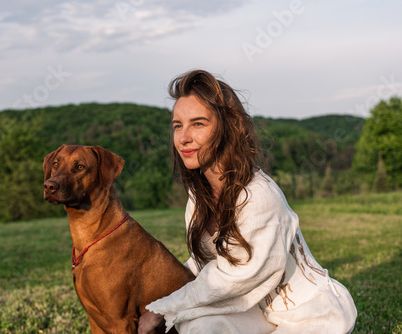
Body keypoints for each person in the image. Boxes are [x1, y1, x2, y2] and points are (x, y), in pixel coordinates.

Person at [138, 70, 357, 334]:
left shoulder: (258, 196)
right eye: (177, 125)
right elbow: (202, 264)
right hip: (255, 310)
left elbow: (231, 279)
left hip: (309, 313)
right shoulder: (198, 197)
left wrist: (164, 307)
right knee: (196, 326)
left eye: (198, 124)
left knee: (180, 315)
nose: (183, 138)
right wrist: (152, 295)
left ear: (226, 128)